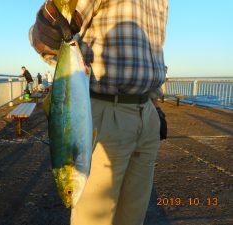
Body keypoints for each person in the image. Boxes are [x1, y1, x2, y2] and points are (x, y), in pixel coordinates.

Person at [30, 0, 168, 224]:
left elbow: (153, 51)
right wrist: (48, 28)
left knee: (135, 215)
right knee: (95, 218)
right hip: (102, 112)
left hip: (148, 113)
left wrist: (154, 104)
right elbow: (46, 38)